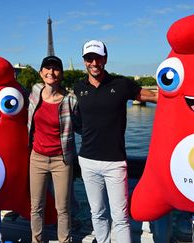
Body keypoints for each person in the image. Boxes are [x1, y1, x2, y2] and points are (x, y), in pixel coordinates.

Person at [73, 40, 158, 243]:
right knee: (97, 212)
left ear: (105, 59)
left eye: (97, 57)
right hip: (87, 161)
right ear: (84, 61)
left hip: (115, 162)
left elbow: (154, 97)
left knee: (120, 217)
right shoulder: (77, 88)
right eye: (89, 58)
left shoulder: (121, 84)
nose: (94, 62)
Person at [28, 55, 79, 243]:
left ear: (61, 74)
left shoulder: (70, 100)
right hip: (37, 158)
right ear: (41, 73)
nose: (51, 72)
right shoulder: (34, 92)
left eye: (55, 69)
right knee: (36, 207)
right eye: (47, 68)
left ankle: (65, 240)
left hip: (61, 160)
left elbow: (81, 126)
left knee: (63, 207)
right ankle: (37, 240)